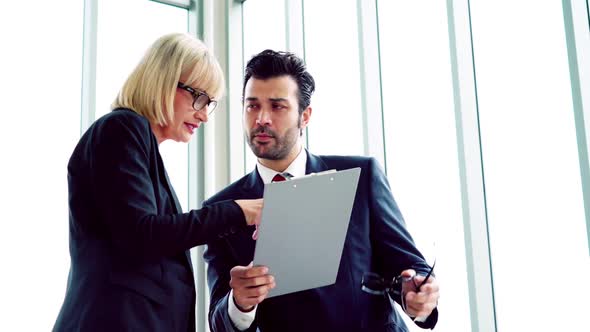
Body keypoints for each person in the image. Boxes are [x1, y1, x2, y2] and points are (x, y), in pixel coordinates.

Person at [203, 50, 440, 332]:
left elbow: (408, 264)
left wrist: (419, 293)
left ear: (305, 116)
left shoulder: (361, 177)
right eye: (252, 106)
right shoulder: (221, 208)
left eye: (277, 106)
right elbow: (219, 320)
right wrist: (239, 303)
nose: (262, 118)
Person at [53, 33, 263, 332]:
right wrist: (238, 211)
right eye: (198, 97)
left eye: (209, 103)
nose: (203, 115)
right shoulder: (121, 128)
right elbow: (142, 234)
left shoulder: (142, 146)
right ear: (164, 81)